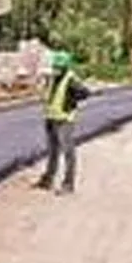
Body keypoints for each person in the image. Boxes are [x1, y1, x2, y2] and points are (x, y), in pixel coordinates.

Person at [35, 51, 90, 194]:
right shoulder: (53, 77)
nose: (57, 69)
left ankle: (68, 184)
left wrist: (70, 102)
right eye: (55, 66)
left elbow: (85, 92)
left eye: (60, 67)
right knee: (52, 151)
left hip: (65, 120)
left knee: (68, 151)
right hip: (51, 117)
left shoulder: (72, 79)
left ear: (66, 67)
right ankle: (48, 179)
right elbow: (48, 93)